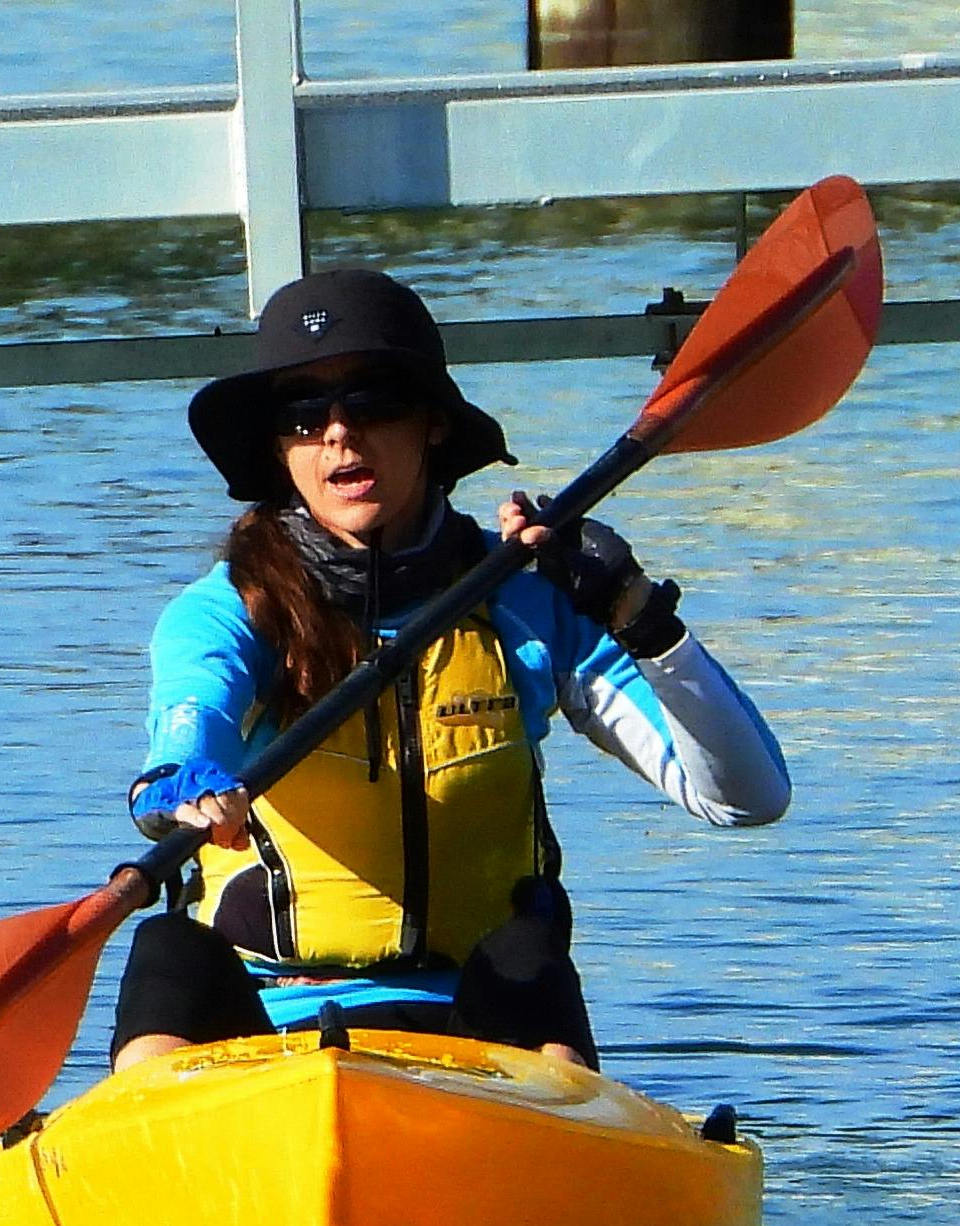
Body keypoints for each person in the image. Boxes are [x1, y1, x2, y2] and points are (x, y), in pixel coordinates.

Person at [113, 268, 789, 1071]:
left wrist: (640, 616)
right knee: (167, 948)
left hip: (480, 1020)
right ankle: (145, 1118)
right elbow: (194, 720)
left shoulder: (526, 607)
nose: (337, 435)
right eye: (303, 414)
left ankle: (556, 1127)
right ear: (277, 445)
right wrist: (182, 781)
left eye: (372, 404)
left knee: (529, 954)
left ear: (432, 424)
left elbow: (745, 798)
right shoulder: (227, 610)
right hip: (259, 1019)